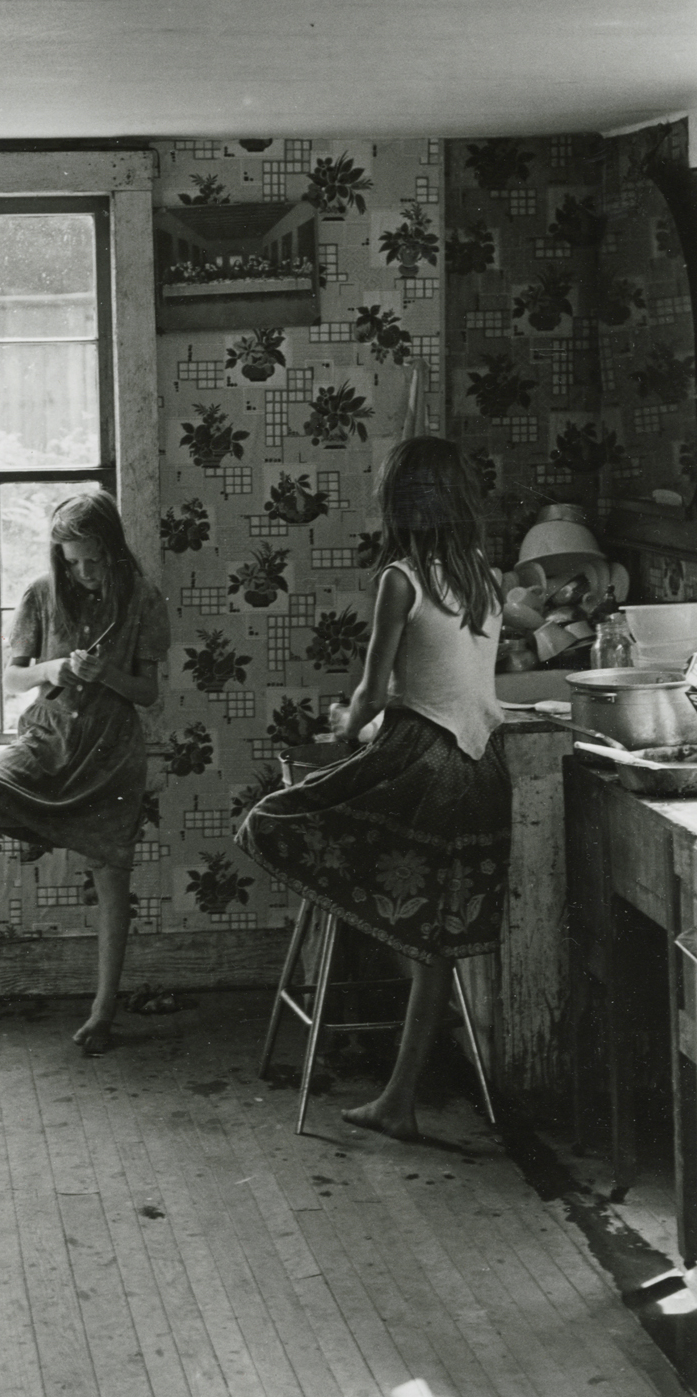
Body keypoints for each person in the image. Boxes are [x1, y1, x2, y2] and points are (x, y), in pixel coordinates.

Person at [237, 436, 510, 1141]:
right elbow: (453, 676)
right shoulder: (484, 574)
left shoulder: (401, 577)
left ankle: (399, 1090)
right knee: (433, 937)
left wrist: (344, 732)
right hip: (483, 766)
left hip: (424, 760)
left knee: (272, 820)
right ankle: (401, 1092)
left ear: (399, 505)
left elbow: (372, 689)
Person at [0, 493, 170, 1056]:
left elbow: (148, 694)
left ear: (114, 550)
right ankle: (51, 831)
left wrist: (108, 676)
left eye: (93, 560)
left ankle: (102, 1013)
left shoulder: (144, 599)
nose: (83, 572)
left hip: (111, 754)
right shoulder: (41, 595)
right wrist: (55, 667)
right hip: (47, 740)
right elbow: (12, 680)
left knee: (112, 882)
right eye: (71, 562)